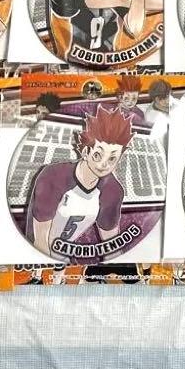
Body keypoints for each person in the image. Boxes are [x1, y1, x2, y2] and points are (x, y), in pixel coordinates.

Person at [27, 107, 134, 257]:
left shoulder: (113, 190)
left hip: (66, 258)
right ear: (85, 151)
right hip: (34, 256)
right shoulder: (53, 176)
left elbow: (112, 245)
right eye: (97, 155)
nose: (104, 164)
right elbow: (40, 241)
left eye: (112, 158)